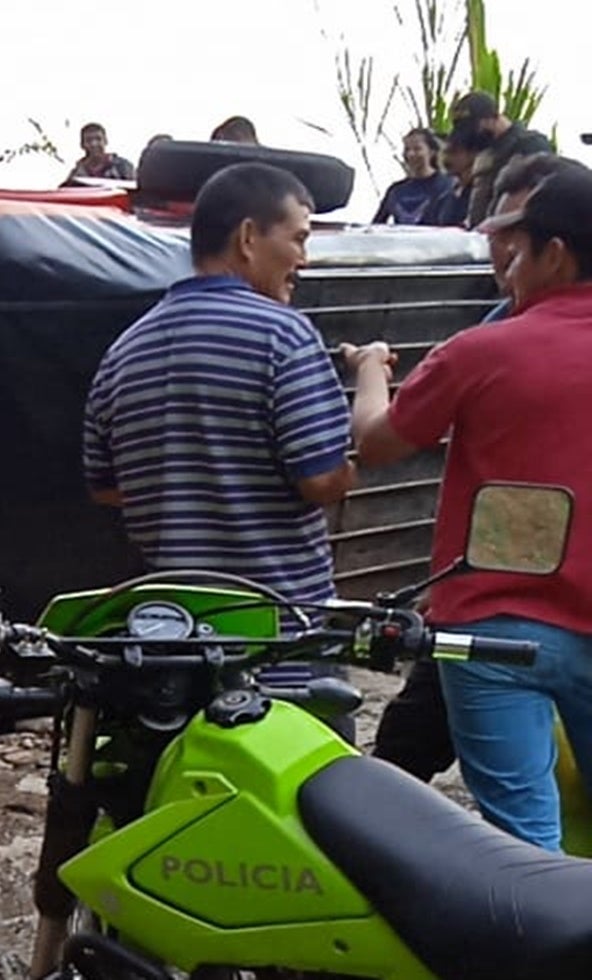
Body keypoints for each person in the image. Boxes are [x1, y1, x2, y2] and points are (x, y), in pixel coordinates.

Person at [342, 169, 592, 851]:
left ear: (556, 254)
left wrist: (370, 369)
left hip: (491, 635)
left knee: (522, 843)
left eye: (520, 248)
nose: (508, 263)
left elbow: (377, 442)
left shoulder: (481, 351)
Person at [84, 163, 356, 612]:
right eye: (299, 239)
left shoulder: (123, 351)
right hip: (278, 634)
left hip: (174, 636)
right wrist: (354, 456)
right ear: (248, 238)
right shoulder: (284, 335)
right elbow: (321, 479)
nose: (304, 260)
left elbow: (106, 488)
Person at [450, 90, 553, 227]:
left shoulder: (529, 145)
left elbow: (532, 199)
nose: (472, 137)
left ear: (491, 119)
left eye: (475, 129)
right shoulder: (486, 150)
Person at [372, 129, 454, 224]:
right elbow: (377, 225)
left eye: (417, 149)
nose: (411, 154)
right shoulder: (395, 190)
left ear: (432, 152)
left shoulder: (447, 185)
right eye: (407, 149)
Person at [418, 126, 477, 227]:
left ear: (472, 155)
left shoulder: (483, 194)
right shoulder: (443, 197)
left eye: (453, 152)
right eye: (444, 152)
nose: (445, 158)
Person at [66, 122, 135, 181]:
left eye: (98, 139)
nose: (94, 144)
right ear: (82, 145)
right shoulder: (76, 175)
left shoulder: (123, 168)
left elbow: (137, 191)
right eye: (89, 140)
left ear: (105, 141)